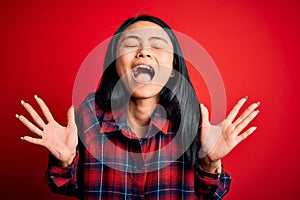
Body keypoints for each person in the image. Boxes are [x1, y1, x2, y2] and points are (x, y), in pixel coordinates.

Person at [16, 15, 260, 199]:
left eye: (157, 46)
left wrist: (210, 164)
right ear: (114, 63)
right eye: (131, 45)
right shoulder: (88, 115)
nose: (144, 53)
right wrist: (65, 163)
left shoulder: (195, 122)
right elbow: (68, 187)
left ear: (173, 65)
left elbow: (212, 194)